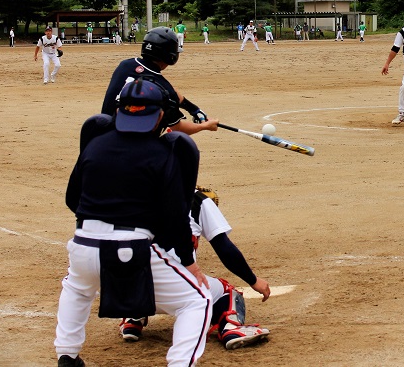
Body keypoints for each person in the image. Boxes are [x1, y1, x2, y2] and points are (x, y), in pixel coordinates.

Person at [55, 78, 212, 367]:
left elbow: (71, 198)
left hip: (81, 244)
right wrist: (190, 262)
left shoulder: (96, 144)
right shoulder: (164, 153)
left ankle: (67, 355)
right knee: (198, 299)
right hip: (131, 249)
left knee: (76, 288)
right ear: (160, 116)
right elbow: (176, 217)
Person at [119, 187, 271, 350]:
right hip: (175, 290)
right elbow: (225, 249)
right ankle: (231, 328)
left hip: (126, 292)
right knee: (227, 291)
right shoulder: (197, 199)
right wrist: (253, 280)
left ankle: (133, 318)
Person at [101, 26, 218, 135]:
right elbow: (177, 128)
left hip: (103, 132)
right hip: (131, 143)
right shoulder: (163, 87)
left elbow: (169, 90)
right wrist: (205, 126)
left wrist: (193, 109)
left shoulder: (126, 65)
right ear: (170, 56)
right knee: (174, 139)